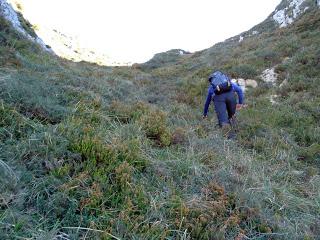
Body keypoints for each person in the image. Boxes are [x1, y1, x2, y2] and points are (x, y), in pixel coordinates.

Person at [203, 70, 245, 138]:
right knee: (232, 115)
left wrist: (205, 114)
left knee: (223, 121)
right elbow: (239, 90)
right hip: (231, 95)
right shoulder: (229, 83)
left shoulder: (211, 89)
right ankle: (236, 131)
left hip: (218, 99)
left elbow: (207, 103)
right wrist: (240, 103)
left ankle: (230, 140)